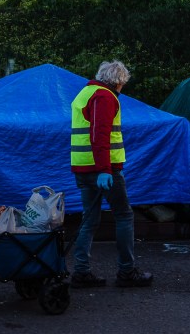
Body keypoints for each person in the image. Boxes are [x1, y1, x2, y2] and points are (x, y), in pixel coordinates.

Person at [70, 60, 153, 288]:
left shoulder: (85, 93)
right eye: (123, 83)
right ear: (118, 81)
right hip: (104, 170)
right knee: (124, 216)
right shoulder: (105, 97)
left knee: (89, 219)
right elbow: (100, 134)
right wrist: (105, 170)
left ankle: (81, 272)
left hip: (84, 167)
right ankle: (127, 272)